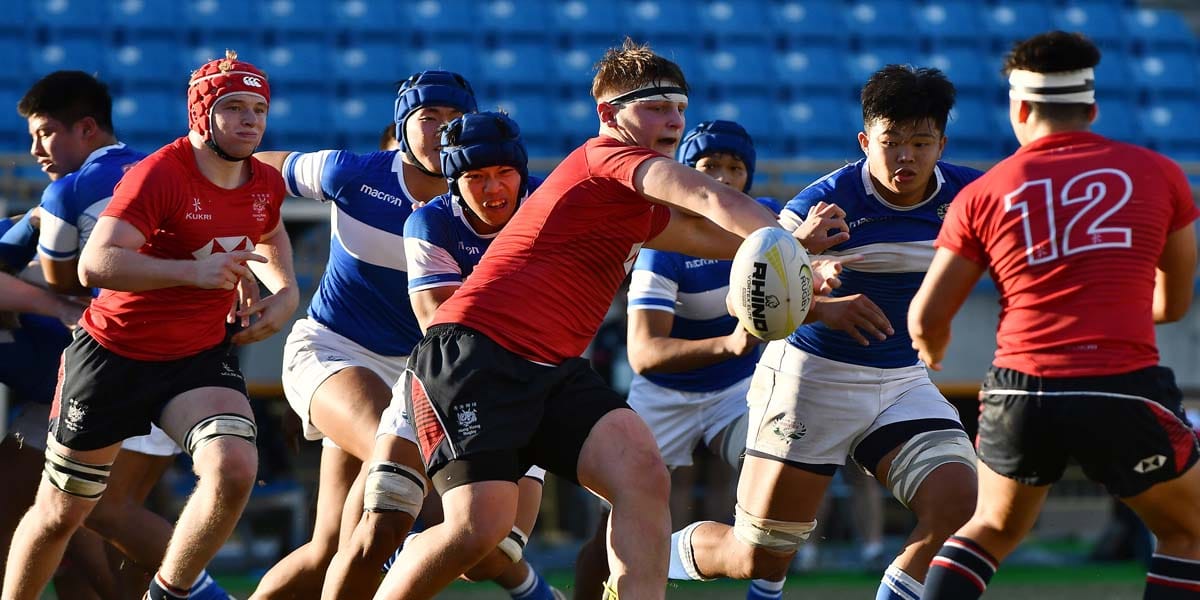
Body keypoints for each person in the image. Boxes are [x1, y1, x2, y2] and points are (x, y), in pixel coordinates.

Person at [375, 38, 847, 600]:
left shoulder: (631, 203)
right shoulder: (606, 157)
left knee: (643, 475)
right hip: (477, 353)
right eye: (654, 107)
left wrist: (795, 253)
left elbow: (704, 234)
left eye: (678, 108)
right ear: (608, 115)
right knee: (479, 530)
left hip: (554, 369)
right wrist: (789, 239)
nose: (672, 120)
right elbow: (707, 198)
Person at [668, 65, 982, 600]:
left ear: (941, 143)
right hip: (810, 382)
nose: (906, 156)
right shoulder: (822, 206)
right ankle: (643, 549)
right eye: (891, 142)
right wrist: (814, 299)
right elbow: (739, 303)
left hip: (901, 381)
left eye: (921, 142)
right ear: (865, 141)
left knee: (958, 503)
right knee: (758, 555)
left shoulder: (973, 196)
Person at [911, 31, 1200, 600]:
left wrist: (933, 347)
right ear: (1091, 107)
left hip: (1022, 390)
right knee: (1187, 533)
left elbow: (927, 315)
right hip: (1123, 388)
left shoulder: (985, 192)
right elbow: (1174, 301)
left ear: (1020, 108)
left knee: (989, 530)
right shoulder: (1161, 173)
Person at [2, 50, 299, 600]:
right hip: (113, 355)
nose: (250, 120)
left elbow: (270, 231)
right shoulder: (160, 171)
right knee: (61, 513)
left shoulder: (262, 180)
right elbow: (95, 264)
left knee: (235, 465)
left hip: (196, 357)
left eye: (258, 109)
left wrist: (286, 291)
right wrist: (194, 271)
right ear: (201, 114)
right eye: (233, 107)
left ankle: (171, 593)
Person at [571, 119, 794, 600]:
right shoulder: (663, 247)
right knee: (616, 521)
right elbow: (646, 354)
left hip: (738, 390)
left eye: (734, 168)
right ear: (684, 176)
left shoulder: (768, 227)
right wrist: (731, 345)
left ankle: (764, 591)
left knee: (783, 475)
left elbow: (805, 283)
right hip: (665, 396)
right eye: (708, 166)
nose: (722, 178)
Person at [385, 109, 562, 599]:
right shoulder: (430, 222)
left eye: (504, 173)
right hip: (443, 380)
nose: (493, 189)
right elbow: (440, 325)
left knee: (493, 556)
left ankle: (414, 559)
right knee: (377, 523)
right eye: (475, 177)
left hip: (525, 386)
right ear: (452, 181)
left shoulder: (552, 205)